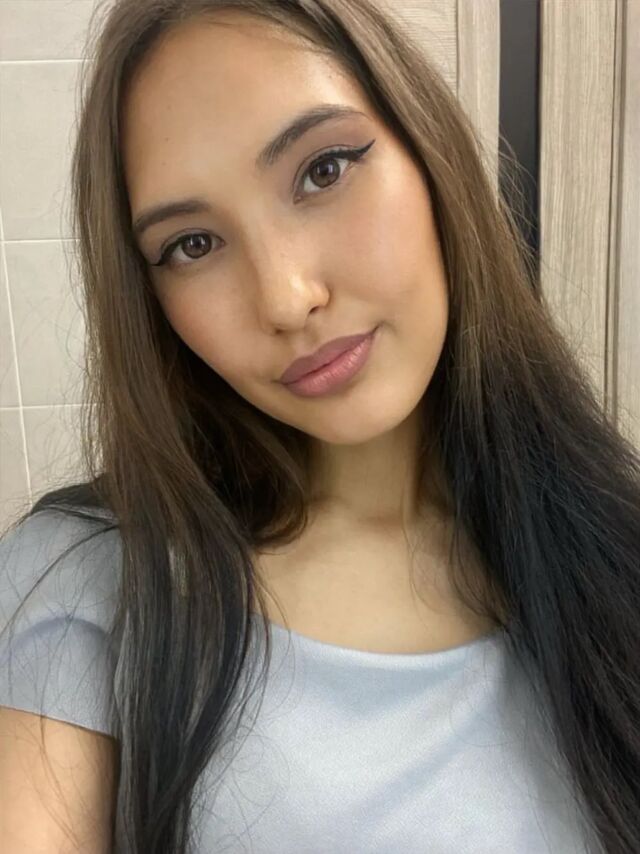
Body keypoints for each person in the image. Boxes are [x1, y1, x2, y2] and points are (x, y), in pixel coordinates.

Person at [1, 0, 638, 851]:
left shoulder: (610, 560)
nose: (285, 297)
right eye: (193, 245)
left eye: (324, 170)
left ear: (428, 151)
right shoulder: (91, 582)